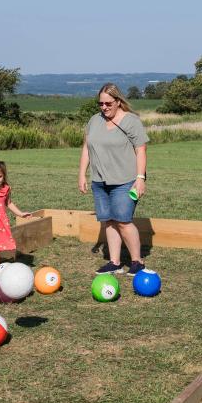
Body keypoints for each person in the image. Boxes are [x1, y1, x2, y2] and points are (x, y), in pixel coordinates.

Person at [78, 83, 149, 274]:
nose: (104, 107)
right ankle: (114, 262)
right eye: (100, 104)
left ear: (118, 101)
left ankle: (137, 261)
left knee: (123, 221)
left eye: (108, 103)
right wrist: (82, 174)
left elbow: (141, 150)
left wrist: (140, 178)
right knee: (108, 220)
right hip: (100, 181)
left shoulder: (131, 121)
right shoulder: (94, 121)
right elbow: (87, 147)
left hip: (125, 180)